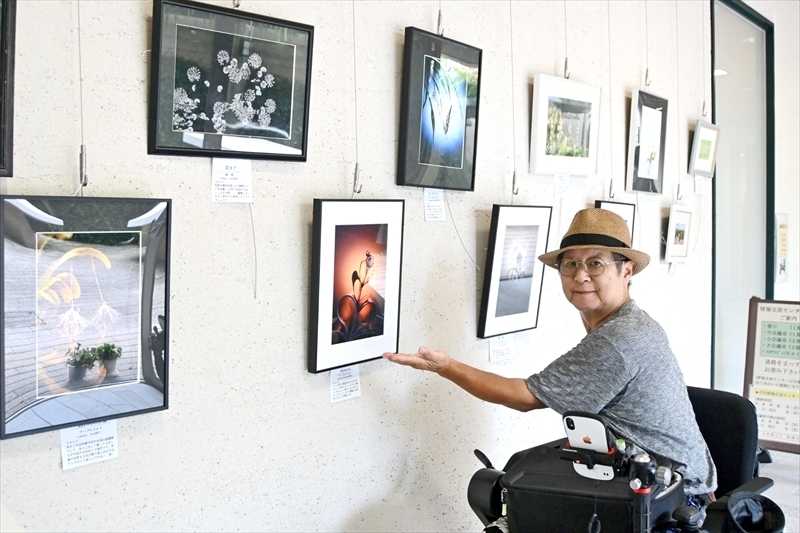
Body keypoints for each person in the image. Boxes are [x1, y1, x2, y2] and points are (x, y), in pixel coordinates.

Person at [383, 208, 717, 502]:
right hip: (672, 483)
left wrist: (446, 367)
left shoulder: (620, 339)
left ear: (626, 270)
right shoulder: (632, 322)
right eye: (570, 264)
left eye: (596, 264)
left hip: (675, 500)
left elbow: (524, 397)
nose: (580, 275)